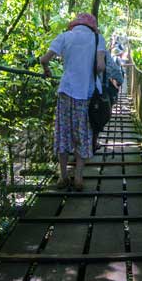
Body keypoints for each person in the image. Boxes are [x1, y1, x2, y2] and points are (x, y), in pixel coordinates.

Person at [40, 13, 105, 191]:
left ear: (74, 25)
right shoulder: (98, 38)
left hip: (65, 91)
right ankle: (78, 178)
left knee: (63, 132)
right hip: (86, 93)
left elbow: (44, 59)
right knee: (82, 134)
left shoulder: (65, 36)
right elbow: (100, 67)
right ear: (92, 26)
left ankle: (63, 176)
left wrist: (47, 70)